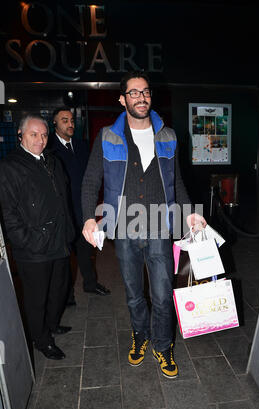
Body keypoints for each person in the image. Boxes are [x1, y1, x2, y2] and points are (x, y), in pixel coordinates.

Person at [81, 71, 206, 378]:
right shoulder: (107, 136)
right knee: (135, 294)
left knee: (163, 295)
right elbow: (90, 180)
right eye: (133, 92)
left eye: (146, 92)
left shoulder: (168, 135)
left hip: (160, 228)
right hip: (124, 228)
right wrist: (88, 217)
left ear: (151, 96)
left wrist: (190, 212)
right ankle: (140, 335)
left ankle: (163, 346)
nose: (141, 97)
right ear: (122, 99)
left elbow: (176, 181)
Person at [0, 114, 74, 360]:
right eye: (34, 134)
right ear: (21, 135)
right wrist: (26, 240)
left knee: (59, 289)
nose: (40, 140)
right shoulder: (11, 166)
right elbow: (8, 212)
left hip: (59, 240)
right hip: (33, 247)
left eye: (44, 135)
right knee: (37, 298)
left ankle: (51, 325)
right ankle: (41, 339)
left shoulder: (52, 161)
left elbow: (64, 198)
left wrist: (69, 232)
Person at [47, 107, 110, 302]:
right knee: (64, 256)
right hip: (62, 211)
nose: (70, 123)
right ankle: (67, 295)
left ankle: (90, 284)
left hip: (83, 209)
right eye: (64, 120)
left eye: (72, 120)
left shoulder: (82, 145)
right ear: (55, 124)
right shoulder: (48, 148)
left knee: (85, 250)